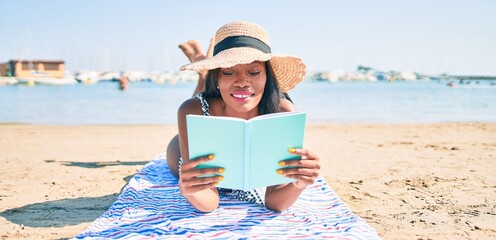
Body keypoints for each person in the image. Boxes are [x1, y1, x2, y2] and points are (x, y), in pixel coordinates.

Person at [166, 21, 320, 213]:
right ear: (219, 77)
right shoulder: (192, 110)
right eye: (229, 72)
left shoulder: (282, 112)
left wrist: (299, 184)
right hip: (178, 152)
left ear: (267, 76)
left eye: (254, 72)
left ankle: (203, 69)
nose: (242, 82)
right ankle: (203, 75)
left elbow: (275, 202)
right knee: (198, 102)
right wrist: (189, 190)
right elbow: (209, 204)